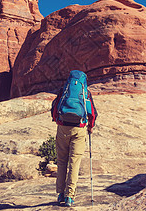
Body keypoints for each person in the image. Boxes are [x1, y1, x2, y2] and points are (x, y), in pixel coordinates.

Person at [51, 70, 98, 207]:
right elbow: (92, 113)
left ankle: (60, 194)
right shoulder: (85, 92)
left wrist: (57, 121)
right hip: (79, 128)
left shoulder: (64, 90)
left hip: (63, 128)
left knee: (61, 162)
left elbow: (55, 107)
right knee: (74, 163)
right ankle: (69, 197)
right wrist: (90, 126)